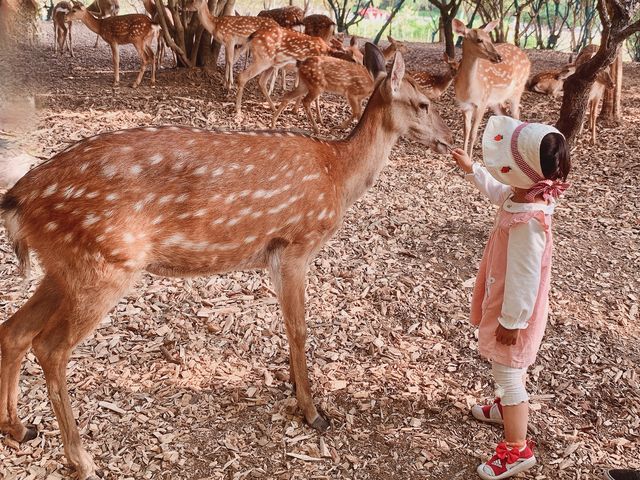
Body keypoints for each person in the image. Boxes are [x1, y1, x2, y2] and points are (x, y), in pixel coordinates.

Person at [451, 116, 571, 480]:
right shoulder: (524, 195)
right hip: (504, 299)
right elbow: (496, 191)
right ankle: (505, 406)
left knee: (509, 369)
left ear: (523, 174)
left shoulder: (529, 220)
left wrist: (512, 322)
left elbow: (525, 277)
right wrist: (472, 169)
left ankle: (517, 449)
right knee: (507, 368)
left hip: (513, 311)